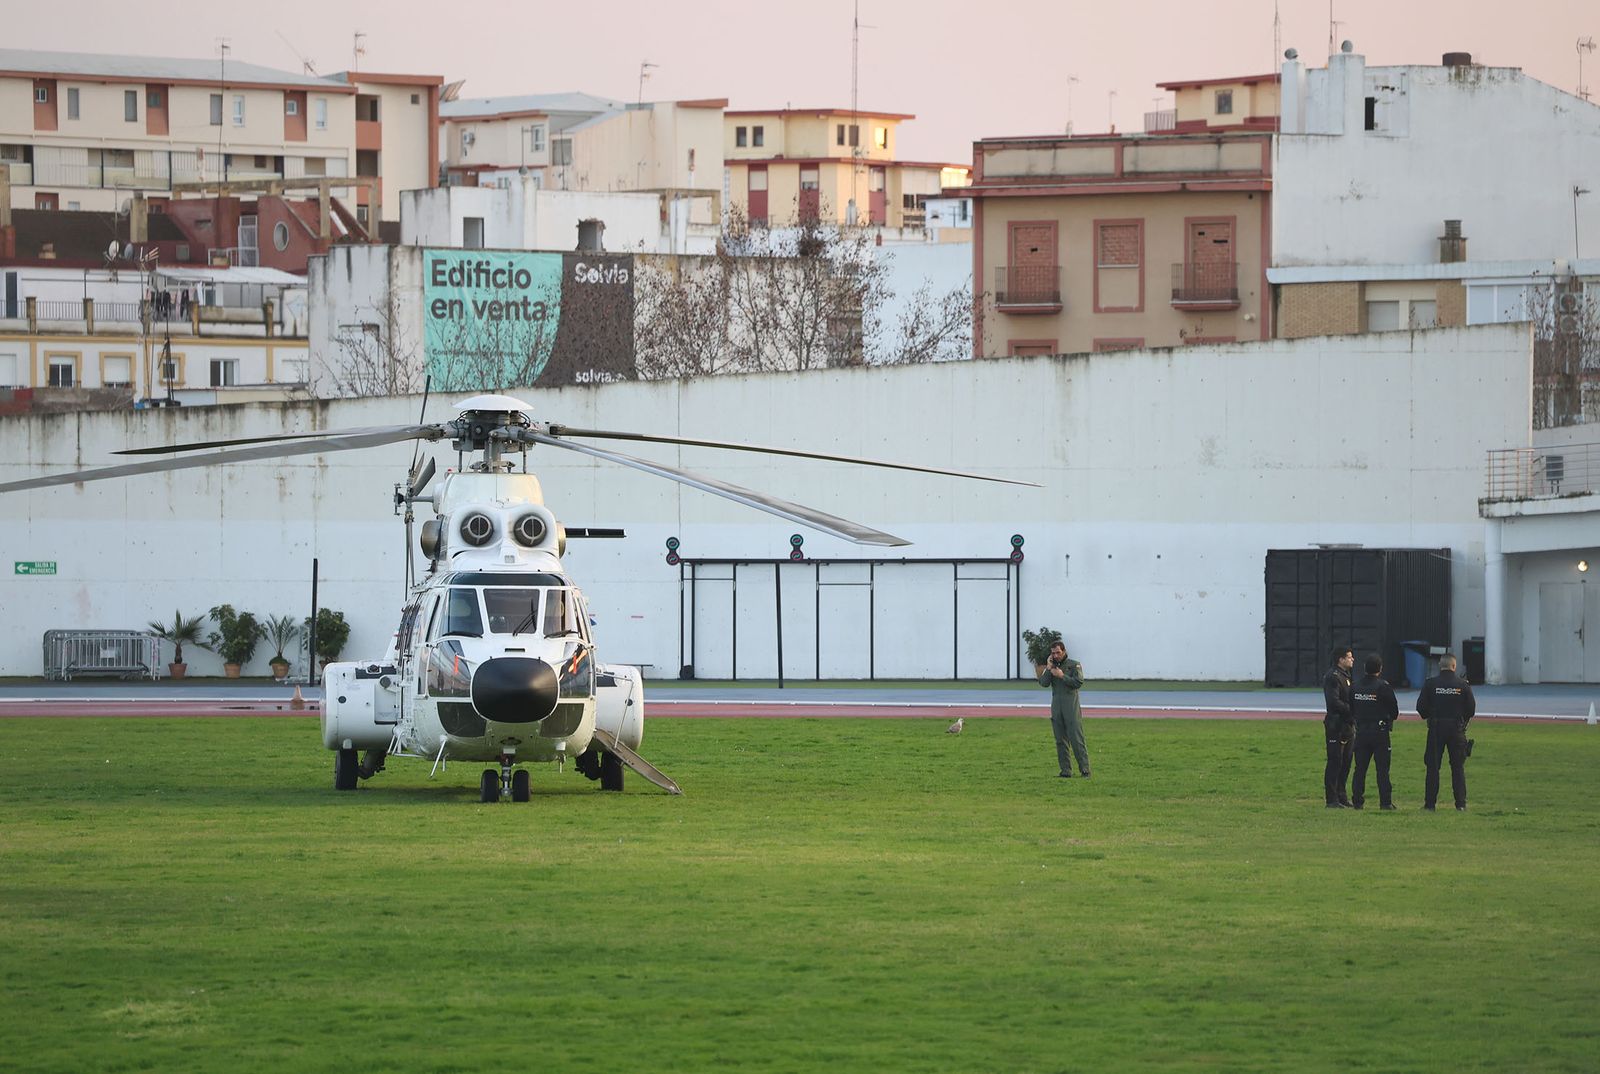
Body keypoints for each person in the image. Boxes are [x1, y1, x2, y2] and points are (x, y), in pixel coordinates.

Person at [1416, 651, 1475, 811]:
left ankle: (1430, 804)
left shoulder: (1430, 684)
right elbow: (1471, 709)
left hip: (1436, 728)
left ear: (1440, 665)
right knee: (1457, 768)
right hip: (1456, 729)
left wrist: (1432, 715)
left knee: (1433, 767)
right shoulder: (1463, 685)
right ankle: (1460, 804)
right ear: (1454, 666)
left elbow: (1421, 708)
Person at [1348, 653, 1399, 810]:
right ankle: (1385, 802)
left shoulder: (1355, 686)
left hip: (1361, 731)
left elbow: (1350, 707)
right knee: (1382, 770)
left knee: (1360, 769)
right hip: (1380, 732)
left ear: (1364, 668)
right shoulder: (1383, 686)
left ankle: (1357, 801)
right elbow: (1394, 712)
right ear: (1380, 669)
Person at [1038, 640, 1089, 778]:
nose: (1056, 656)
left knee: (1076, 739)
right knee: (1060, 740)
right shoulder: (1052, 666)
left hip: (1071, 707)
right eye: (1053, 653)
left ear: (1064, 651)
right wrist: (1048, 669)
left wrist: (1062, 676)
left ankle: (1084, 769)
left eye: (1058, 653)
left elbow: (1078, 682)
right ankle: (1066, 770)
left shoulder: (1073, 665)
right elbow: (1043, 683)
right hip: (1056, 707)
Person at [1322, 646, 1355, 808]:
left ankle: (1341, 795)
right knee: (1335, 761)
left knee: (1346, 761)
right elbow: (1333, 702)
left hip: (1348, 725)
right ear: (1340, 659)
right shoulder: (1333, 677)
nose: (1352, 659)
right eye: (1349, 657)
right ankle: (1331, 799)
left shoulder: (1346, 676)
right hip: (1336, 725)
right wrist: (1353, 709)